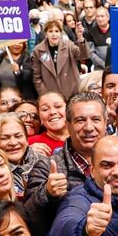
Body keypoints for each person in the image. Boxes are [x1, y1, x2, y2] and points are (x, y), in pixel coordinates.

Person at [24, 93, 105, 221]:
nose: (89, 127)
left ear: (105, 123)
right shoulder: (46, 167)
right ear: (68, 125)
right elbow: (27, 216)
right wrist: (47, 193)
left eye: (96, 119)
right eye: (80, 120)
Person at [0, 113, 43, 198]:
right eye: (4, 138)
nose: (13, 143)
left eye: (18, 136)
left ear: (26, 139)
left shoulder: (45, 162)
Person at [32, 20, 89, 98]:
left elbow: (83, 56)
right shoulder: (38, 50)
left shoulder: (69, 45)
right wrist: (45, 95)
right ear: (46, 34)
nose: (54, 34)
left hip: (73, 93)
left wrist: (80, 38)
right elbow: (37, 77)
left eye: (57, 31)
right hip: (51, 96)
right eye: (50, 31)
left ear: (60, 33)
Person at [28, 91, 69, 156]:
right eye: (45, 109)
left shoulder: (83, 137)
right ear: (39, 117)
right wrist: (27, 156)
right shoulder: (31, 143)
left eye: (58, 106)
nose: (52, 112)